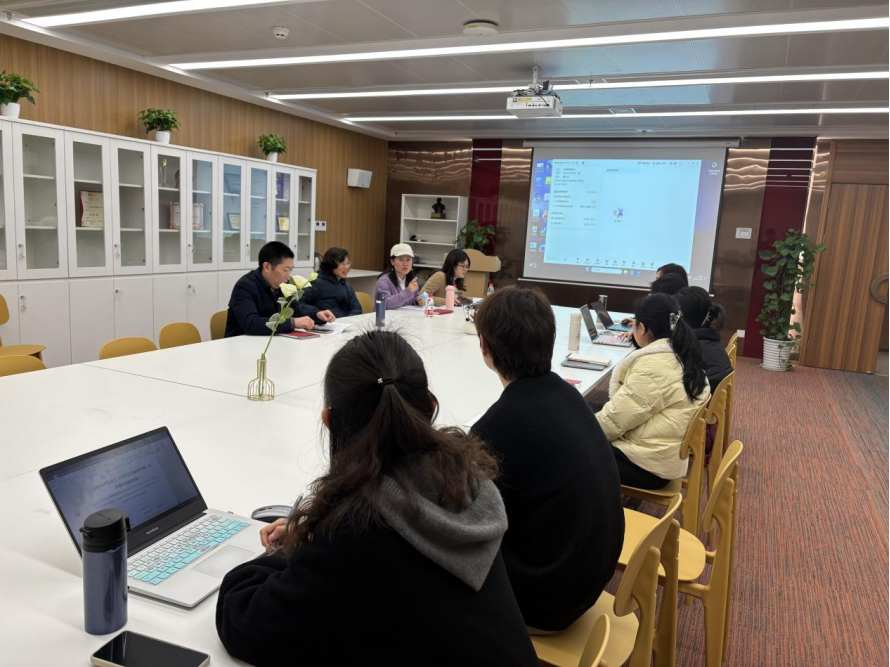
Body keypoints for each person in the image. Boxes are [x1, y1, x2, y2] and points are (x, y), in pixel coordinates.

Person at [216, 331, 538, 666]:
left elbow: (244, 620)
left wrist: (297, 547)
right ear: (430, 407)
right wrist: (317, 541)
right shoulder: (466, 484)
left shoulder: (359, 529)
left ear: (329, 421)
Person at [471, 287, 624, 633]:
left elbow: (469, 528)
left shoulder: (496, 428)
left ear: (484, 346)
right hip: (591, 576)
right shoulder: (568, 395)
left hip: (547, 602)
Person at [597, 293, 710, 490]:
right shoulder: (681, 351)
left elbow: (613, 421)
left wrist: (576, 432)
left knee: (564, 451)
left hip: (646, 465)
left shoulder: (653, 367)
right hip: (661, 455)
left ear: (642, 328)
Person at [225, 241, 334, 337]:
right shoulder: (245, 286)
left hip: (272, 342)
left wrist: (317, 315)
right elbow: (251, 323)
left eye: (290, 270)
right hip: (241, 345)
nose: (288, 276)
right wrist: (292, 323)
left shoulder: (283, 285)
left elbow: (296, 312)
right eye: (285, 270)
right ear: (267, 267)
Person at [676, 286, 733, 391]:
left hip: (698, 397)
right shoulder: (711, 341)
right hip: (710, 397)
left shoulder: (687, 350)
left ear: (680, 316)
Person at [299, 247, 362, 322]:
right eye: (342, 263)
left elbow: (356, 308)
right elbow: (298, 304)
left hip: (344, 324)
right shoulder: (316, 283)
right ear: (331, 264)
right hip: (326, 324)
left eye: (348, 263)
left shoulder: (346, 285)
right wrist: (317, 313)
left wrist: (348, 321)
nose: (346, 267)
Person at [375, 243, 426, 309]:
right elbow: (386, 304)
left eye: (408, 260)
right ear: (392, 261)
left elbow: (415, 296)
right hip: (385, 316)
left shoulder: (411, 280)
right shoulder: (383, 281)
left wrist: (418, 300)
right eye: (401, 260)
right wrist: (408, 292)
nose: (405, 264)